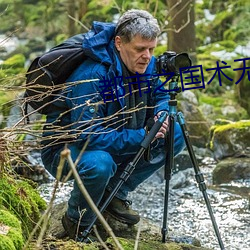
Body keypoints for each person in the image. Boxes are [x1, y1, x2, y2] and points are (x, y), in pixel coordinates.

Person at [41, 9, 185, 241]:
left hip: (117, 135)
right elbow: (87, 136)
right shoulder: (92, 75)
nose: (147, 56)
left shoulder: (144, 62)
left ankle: (115, 193)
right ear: (119, 43)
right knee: (100, 164)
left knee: (175, 131)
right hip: (67, 150)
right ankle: (76, 221)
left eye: (152, 49)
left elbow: (159, 93)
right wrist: (142, 135)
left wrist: (161, 113)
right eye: (140, 49)